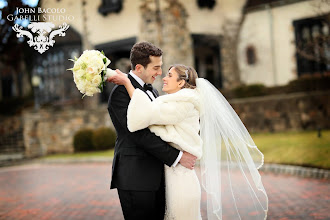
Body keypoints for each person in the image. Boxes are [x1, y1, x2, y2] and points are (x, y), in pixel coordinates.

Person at [109, 63, 269, 219]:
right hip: (172, 175)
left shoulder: (183, 104)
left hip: (180, 179)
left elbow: (145, 116)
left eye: (169, 75)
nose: (163, 78)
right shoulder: (177, 101)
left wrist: (127, 83)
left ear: (181, 82)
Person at [107, 42, 197, 220]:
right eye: (156, 68)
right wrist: (177, 157)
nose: (159, 73)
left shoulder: (153, 91)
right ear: (139, 67)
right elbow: (138, 135)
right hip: (136, 177)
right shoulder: (120, 94)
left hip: (158, 176)